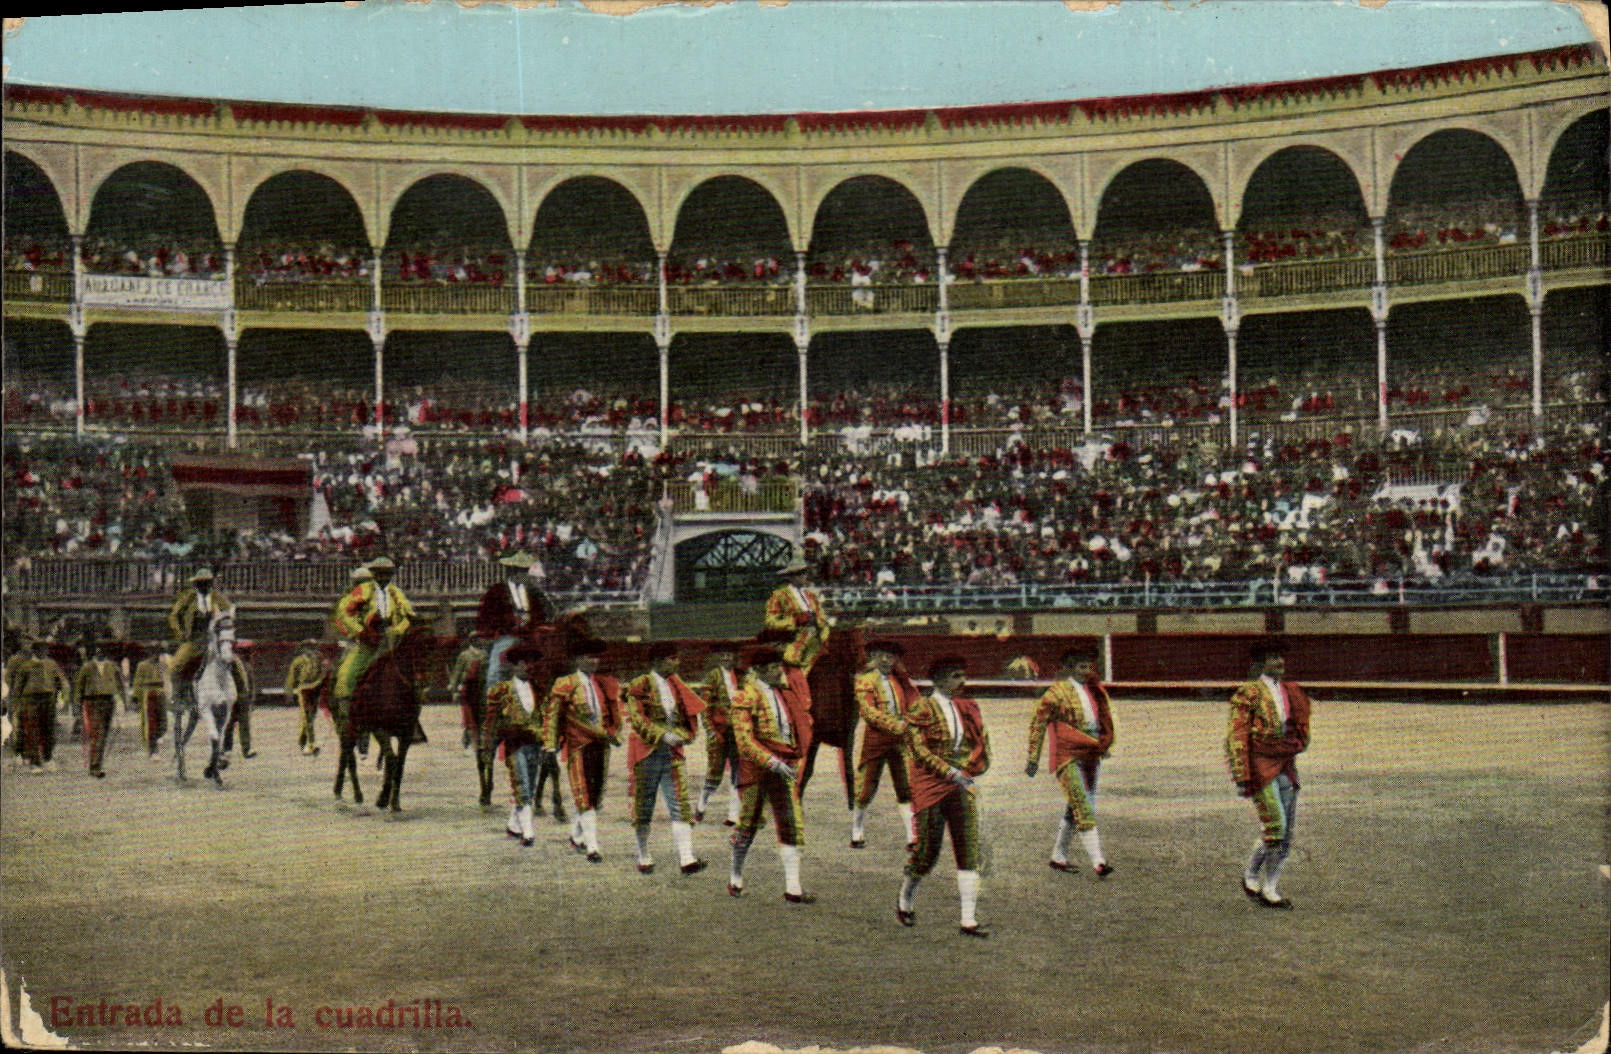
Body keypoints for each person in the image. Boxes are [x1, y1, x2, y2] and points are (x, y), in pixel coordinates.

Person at [897, 656, 991, 937]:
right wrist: (950, 772)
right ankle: (905, 898)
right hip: (930, 785)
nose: (961, 681)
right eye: (955, 676)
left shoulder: (967, 707)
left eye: (962, 675)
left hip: (961, 783)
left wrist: (973, 768)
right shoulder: (922, 707)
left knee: (968, 851)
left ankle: (968, 920)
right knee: (927, 854)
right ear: (938, 680)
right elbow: (917, 749)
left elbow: (981, 742)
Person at [1225, 639, 1312, 910]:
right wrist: (1241, 773)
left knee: (1286, 833)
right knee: (1275, 825)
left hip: (1285, 761)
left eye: (1282, 657)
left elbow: (1301, 728)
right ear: (1262, 662)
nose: (1281, 662)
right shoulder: (1248, 692)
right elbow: (1236, 734)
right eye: (1275, 658)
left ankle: (1271, 887)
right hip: (1260, 764)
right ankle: (1252, 875)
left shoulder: (1291, 691)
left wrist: (1297, 744)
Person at [728, 645, 815, 903]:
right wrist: (771, 761)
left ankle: (793, 888)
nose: (780, 671)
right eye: (776, 668)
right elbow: (744, 741)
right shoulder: (745, 697)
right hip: (758, 769)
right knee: (748, 824)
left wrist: (790, 757)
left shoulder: (786, 694)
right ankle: (735, 874)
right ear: (761, 671)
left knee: (791, 823)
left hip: (784, 766)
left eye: (780, 667)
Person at [1025, 643, 1116, 878]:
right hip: (1067, 754)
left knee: (1075, 805)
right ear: (1069, 667)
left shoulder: (1095, 690)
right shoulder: (1056, 693)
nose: (1086, 667)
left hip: (1090, 754)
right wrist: (1033, 758)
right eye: (1080, 663)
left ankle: (1058, 856)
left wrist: (1104, 745)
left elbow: (1104, 721)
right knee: (1083, 805)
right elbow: (1038, 723)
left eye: (1088, 663)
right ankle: (1099, 862)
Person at [625, 642, 709, 875]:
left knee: (680, 803)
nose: (677, 662)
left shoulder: (676, 684)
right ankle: (643, 855)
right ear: (657, 661)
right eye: (672, 658)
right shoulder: (639, 685)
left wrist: (683, 736)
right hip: (646, 751)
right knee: (644, 805)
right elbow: (638, 720)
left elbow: (687, 718)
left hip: (672, 751)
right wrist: (664, 735)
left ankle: (687, 858)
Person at [543, 638, 620, 862]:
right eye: (588, 657)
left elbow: (613, 714)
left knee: (595, 797)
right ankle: (592, 846)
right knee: (583, 794)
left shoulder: (603, 684)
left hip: (601, 746)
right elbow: (552, 715)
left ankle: (576, 837)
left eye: (596, 657)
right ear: (578, 659)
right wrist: (549, 744)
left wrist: (615, 732)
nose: (593, 661)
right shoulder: (564, 683)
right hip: (578, 746)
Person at [850, 640, 920, 849]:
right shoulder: (865, 680)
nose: (885, 660)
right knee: (865, 787)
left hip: (900, 740)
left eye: (890, 656)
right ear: (872, 657)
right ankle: (857, 828)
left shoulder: (900, 679)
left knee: (906, 787)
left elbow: (913, 704)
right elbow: (869, 712)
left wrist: (912, 721)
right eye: (881, 655)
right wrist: (897, 725)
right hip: (877, 739)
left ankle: (912, 836)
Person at [332, 556, 415, 715]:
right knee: (347, 673)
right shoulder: (360, 593)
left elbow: (407, 615)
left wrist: (397, 630)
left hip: (391, 640)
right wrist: (361, 632)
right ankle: (346, 710)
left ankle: (411, 716)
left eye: (387, 573)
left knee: (412, 675)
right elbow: (344, 615)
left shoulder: (396, 592)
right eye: (380, 573)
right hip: (366, 642)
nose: (384, 577)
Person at [487, 643, 548, 847]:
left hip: (535, 744)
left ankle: (514, 826)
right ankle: (528, 833)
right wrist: (488, 746)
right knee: (522, 786)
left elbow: (546, 717)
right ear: (513, 666)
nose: (528, 666)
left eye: (531, 662)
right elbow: (491, 720)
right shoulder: (501, 690)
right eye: (523, 662)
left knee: (529, 787)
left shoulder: (538, 688)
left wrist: (547, 741)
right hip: (514, 744)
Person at [477, 551, 551, 695]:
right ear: (513, 572)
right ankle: (493, 699)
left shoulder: (534, 591)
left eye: (526, 570)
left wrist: (536, 626)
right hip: (507, 636)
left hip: (531, 635)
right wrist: (504, 626)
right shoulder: (496, 591)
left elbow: (546, 612)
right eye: (522, 571)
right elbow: (487, 616)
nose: (526, 574)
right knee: (496, 671)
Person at [167, 568, 241, 699]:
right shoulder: (188, 597)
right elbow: (173, 616)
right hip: (193, 640)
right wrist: (181, 633)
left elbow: (229, 612)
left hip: (215, 640)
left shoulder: (218, 597)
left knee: (235, 664)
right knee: (175, 667)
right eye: (201, 583)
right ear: (196, 584)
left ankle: (242, 695)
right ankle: (177, 697)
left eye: (207, 583)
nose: (204, 586)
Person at [695, 642, 743, 827]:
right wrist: (710, 731)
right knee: (714, 775)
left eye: (729, 655)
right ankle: (701, 804)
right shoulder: (712, 677)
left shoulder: (742, 676)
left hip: (738, 732)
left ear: (734, 657)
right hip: (719, 732)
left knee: (738, 774)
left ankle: (733, 815)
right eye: (723, 655)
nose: (726, 658)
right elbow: (704, 707)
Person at [6, 637, 68, 771]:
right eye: (40, 649)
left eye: (45, 649)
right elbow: (18, 687)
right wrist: (16, 704)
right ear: (35, 650)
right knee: (32, 730)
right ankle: (35, 763)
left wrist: (61, 698)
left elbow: (60, 683)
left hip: (48, 700)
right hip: (31, 701)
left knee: (49, 730)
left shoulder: (51, 664)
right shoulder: (25, 666)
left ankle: (48, 758)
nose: (43, 651)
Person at [763, 556, 831, 675]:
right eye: (799, 573)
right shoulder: (779, 595)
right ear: (790, 576)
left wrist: (819, 626)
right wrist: (795, 621)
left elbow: (822, 617)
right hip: (793, 642)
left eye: (804, 572)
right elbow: (770, 621)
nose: (803, 576)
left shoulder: (810, 595)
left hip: (815, 642)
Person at [74, 638, 126, 779]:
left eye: (103, 647)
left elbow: (120, 685)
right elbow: (79, 688)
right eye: (98, 647)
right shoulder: (87, 667)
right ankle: (95, 767)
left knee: (104, 735)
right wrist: (77, 706)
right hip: (92, 702)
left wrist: (123, 702)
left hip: (108, 701)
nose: (100, 650)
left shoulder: (113, 666)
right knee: (98, 734)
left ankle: (97, 764)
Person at [284, 639, 329, 757]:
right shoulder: (298, 661)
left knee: (311, 717)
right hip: (304, 689)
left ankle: (302, 741)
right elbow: (291, 677)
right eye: (309, 647)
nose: (311, 650)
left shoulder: (318, 660)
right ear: (303, 649)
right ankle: (310, 744)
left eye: (313, 647)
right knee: (307, 718)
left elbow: (323, 673)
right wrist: (289, 693)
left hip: (315, 689)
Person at [130, 642, 171, 760]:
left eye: (158, 652)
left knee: (163, 720)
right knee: (150, 722)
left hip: (160, 691)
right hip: (148, 692)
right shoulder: (142, 665)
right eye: (154, 652)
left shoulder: (163, 664)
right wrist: (136, 697)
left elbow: (167, 678)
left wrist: (169, 694)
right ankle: (153, 750)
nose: (156, 654)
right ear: (149, 653)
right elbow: (137, 682)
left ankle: (159, 736)